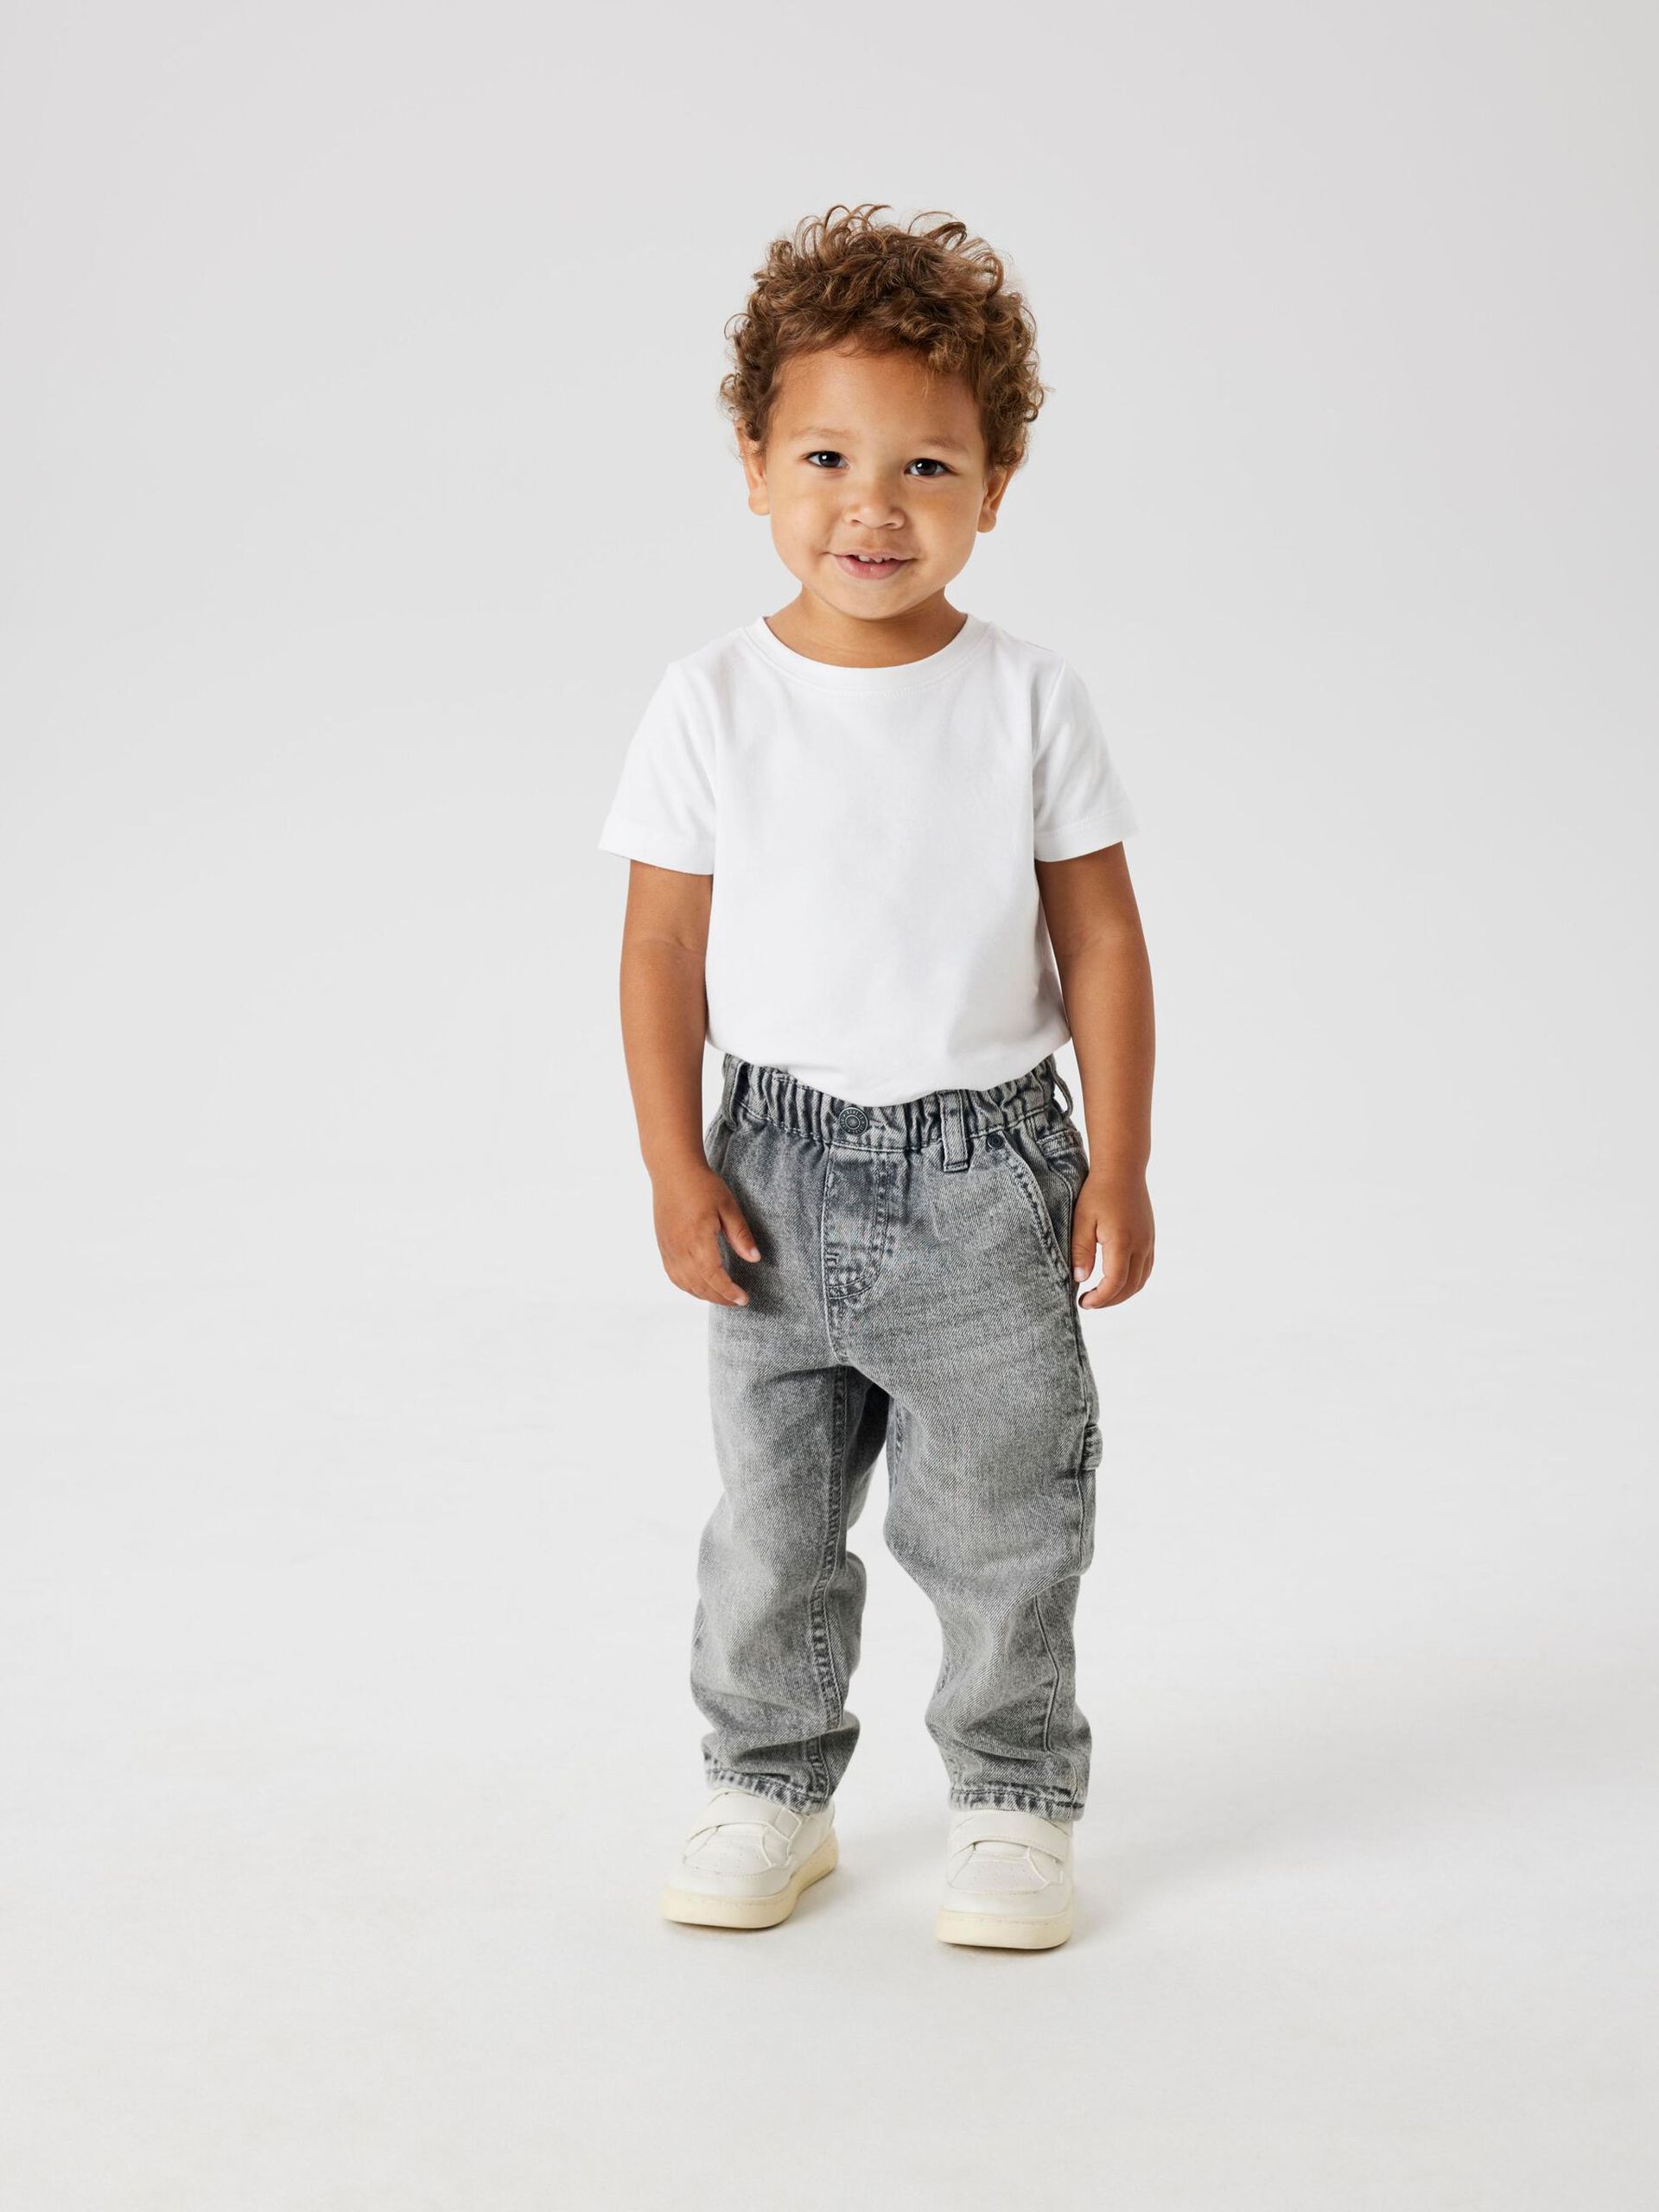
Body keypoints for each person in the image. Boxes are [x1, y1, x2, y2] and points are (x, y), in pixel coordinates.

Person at [595, 203, 1155, 1951]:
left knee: (1002, 1516)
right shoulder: (710, 700)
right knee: (772, 1520)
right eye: (828, 457)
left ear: (995, 486)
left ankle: (1012, 1794)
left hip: (990, 1177)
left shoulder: (1028, 698)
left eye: (929, 465)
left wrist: (1120, 1160)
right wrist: (674, 1164)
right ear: (754, 463)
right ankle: (770, 1780)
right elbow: (661, 950)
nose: (875, 504)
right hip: (768, 1165)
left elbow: (1104, 941)